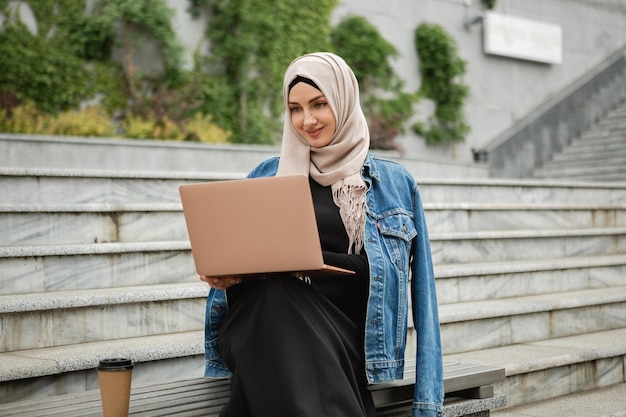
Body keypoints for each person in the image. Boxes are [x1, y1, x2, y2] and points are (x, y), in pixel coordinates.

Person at [200, 52, 443, 417]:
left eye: (318, 104)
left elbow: (424, 295)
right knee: (275, 295)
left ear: (343, 101)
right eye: (295, 108)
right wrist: (223, 275)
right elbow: (244, 262)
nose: (306, 120)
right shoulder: (267, 176)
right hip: (262, 322)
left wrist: (427, 402)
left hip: (347, 336)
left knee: (276, 305)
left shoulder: (394, 184)